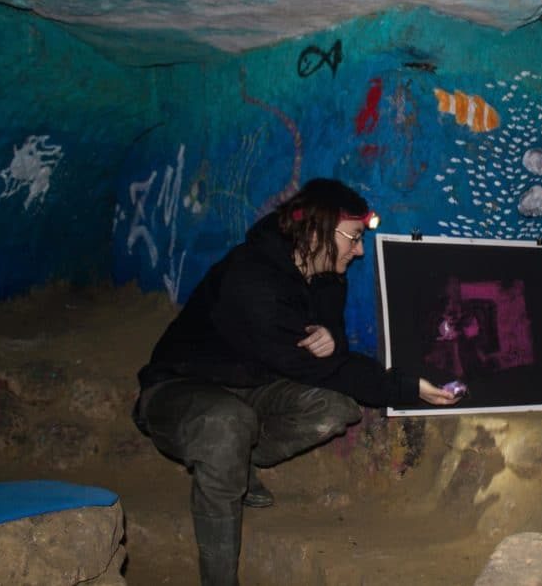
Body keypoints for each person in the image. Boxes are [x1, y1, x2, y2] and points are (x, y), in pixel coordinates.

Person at [131, 177, 461, 586]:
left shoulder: (325, 277)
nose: (359, 251)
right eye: (354, 238)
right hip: (180, 389)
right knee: (225, 425)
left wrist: (332, 336)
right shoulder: (252, 280)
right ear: (319, 230)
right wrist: (406, 387)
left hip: (253, 384)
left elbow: (329, 346)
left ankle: (237, 463)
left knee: (335, 408)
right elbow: (325, 366)